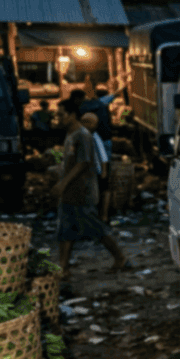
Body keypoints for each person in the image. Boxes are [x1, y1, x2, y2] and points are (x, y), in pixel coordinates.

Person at [53, 95, 127, 277]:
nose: (59, 119)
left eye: (61, 115)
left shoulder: (82, 135)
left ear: (72, 115)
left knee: (95, 228)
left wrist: (63, 183)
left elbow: (84, 163)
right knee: (65, 229)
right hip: (71, 192)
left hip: (82, 191)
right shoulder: (71, 134)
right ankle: (63, 267)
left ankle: (119, 257)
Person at [80, 113, 112, 223]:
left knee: (102, 191)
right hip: (91, 170)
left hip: (95, 171)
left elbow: (103, 156)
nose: (95, 125)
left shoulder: (93, 136)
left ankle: (103, 216)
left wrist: (103, 171)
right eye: (93, 123)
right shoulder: (88, 135)